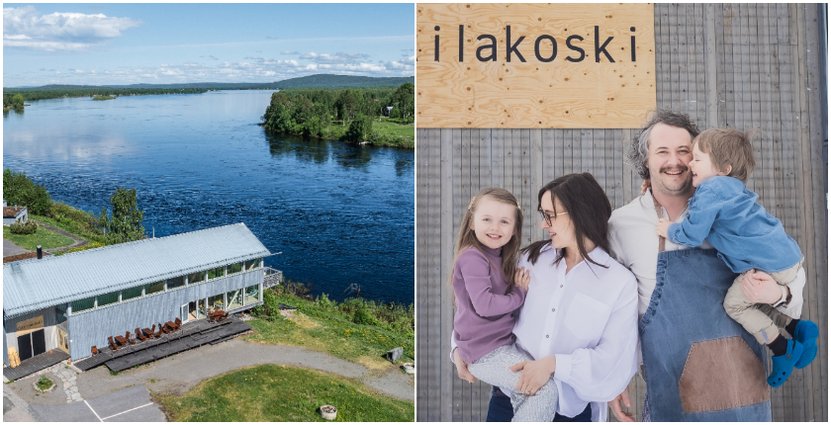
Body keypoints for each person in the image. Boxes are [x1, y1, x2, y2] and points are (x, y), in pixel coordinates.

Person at [607, 111, 806, 421]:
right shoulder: (622, 224)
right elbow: (614, 313)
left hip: (741, 391)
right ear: (645, 160)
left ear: (700, 157)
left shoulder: (734, 214)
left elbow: (789, 270)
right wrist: (614, 377)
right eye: (662, 152)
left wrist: (780, 294)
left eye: (684, 151)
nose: (674, 161)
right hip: (671, 391)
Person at [453, 173, 639, 422]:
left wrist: (553, 365)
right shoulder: (531, 260)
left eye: (550, 215)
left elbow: (613, 359)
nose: (543, 224)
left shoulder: (618, 282)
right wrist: (456, 348)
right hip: (509, 397)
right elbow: (477, 303)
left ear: (579, 214)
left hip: (571, 409)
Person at [655, 128, 819, 388]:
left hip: (772, 266)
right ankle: (798, 327)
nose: (689, 163)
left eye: (697, 158)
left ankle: (781, 348)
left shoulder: (712, 191)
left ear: (724, 168)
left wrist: (669, 229)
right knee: (752, 298)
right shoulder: (733, 190)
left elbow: (693, 233)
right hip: (786, 257)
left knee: (736, 304)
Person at [450, 187, 561, 422]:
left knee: (528, 395)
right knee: (543, 390)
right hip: (485, 354)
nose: (494, 228)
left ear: (514, 229)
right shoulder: (472, 257)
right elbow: (484, 305)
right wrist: (519, 294)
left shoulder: (502, 257)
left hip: (500, 348)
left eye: (504, 221)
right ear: (472, 222)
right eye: (487, 219)